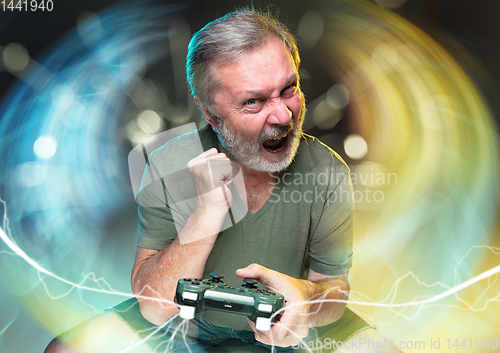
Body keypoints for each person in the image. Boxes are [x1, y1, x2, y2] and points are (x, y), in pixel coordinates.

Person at [45, 8, 402, 353]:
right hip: (183, 327)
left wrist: (305, 300)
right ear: (211, 115)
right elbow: (154, 306)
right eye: (253, 102)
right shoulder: (168, 162)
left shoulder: (328, 171)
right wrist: (206, 212)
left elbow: (334, 290)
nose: (283, 115)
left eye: (289, 89)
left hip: (290, 326)